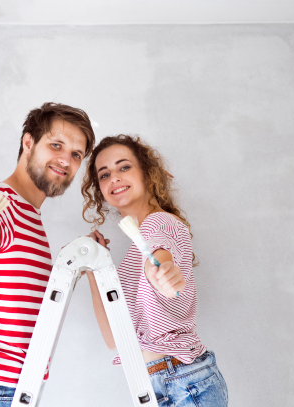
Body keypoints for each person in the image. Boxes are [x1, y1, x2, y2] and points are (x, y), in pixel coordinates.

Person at [0, 102, 95, 407]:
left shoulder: (29, 214)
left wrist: (76, 257)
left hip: (5, 389)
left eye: (76, 154)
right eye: (56, 145)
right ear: (28, 142)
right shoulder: (2, 200)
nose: (66, 160)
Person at [81, 135, 228, 406]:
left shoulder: (158, 223)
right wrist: (95, 270)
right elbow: (114, 339)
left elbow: (160, 257)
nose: (113, 177)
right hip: (157, 383)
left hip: (181, 382)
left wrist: (164, 272)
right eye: (104, 174)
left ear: (148, 175)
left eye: (124, 167)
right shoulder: (134, 253)